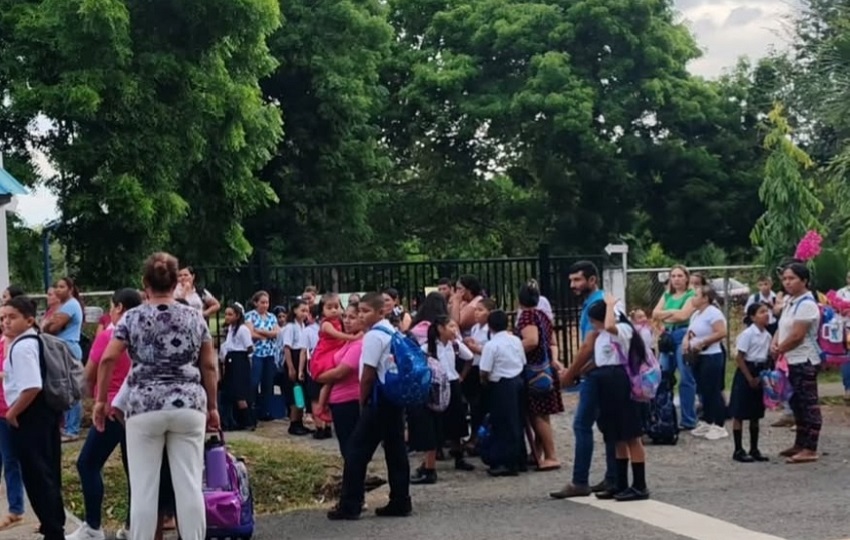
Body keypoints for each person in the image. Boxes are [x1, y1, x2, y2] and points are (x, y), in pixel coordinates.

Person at [93, 252, 220, 540]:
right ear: (176, 282)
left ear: (144, 283)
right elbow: (210, 364)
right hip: (189, 404)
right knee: (188, 485)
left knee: (144, 489)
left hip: (144, 405)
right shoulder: (194, 316)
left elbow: (108, 359)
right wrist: (212, 406)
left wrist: (101, 401)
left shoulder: (132, 317)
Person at [66, 288, 143, 540]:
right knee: (134, 470)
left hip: (110, 408)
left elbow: (88, 375)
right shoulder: (142, 335)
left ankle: (93, 526)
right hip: (137, 409)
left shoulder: (109, 335)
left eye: (111, 305)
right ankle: (133, 526)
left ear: (118, 307)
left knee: (87, 463)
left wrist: (89, 399)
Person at [327, 292, 411, 521]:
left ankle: (350, 504)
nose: (361, 316)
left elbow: (368, 374)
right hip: (393, 398)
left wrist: (362, 401)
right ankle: (401, 500)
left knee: (356, 451)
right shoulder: (391, 331)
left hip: (378, 399)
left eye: (366, 311)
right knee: (396, 451)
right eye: (359, 311)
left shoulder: (374, 336)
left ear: (380, 312)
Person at [551, 261, 616, 499]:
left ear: (592, 280)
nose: (573, 285)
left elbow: (590, 345)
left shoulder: (596, 304)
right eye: (571, 280)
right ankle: (613, 477)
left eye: (578, 280)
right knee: (607, 425)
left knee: (582, 424)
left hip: (598, 373)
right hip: (604, 370)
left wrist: (571, 374)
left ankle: (580, 481)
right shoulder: (598, 301)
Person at [3, 296, 66, 540]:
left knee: (37, 474)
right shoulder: (30, 341)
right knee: (47, 471)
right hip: (42, 413)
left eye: (12, 317)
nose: (6, 322)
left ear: (29, 319)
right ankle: (53, 524)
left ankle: (52, 528)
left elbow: (31, 386)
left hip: (30, 415)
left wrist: (13, 412)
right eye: (3, 318)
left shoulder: (22, 347)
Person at [585, 296, 650, 501]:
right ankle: (619, 483)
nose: (593, 324)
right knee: (615, 435)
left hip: (620, 381)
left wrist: (610, 307)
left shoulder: (623, 330)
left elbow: (611, 326)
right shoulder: (601, 334)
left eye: (595, 320)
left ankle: (639, 484)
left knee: (631, 434)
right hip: (606, 382)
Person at [410, 316, 475, 485]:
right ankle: (433, 457)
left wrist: (462, 376)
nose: (454, 330)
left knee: (457, 421)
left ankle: (458, 455)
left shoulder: (455, 345)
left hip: (452, 384)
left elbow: (469, 358)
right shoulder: (427, 348)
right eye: (450, 326)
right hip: (436, 388)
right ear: (440, 328)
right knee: (436, 423)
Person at [771, 262, 822, 464]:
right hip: (790, 359)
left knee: (808, 404)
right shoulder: (791, 301)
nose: (787, 282)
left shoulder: (807, 304)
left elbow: (798, 335)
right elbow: (782, 327)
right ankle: (800, 443)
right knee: (796, 403)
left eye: (792, 278)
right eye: (784, 279)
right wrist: (775, 342)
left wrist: (780, 348)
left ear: (804, 280)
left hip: (804, 359)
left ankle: (811, 447)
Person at [478, 309, 525, 477]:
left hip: (501, 384)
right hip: (518, 381)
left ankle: (505, 461)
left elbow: (484, 370)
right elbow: (522, 361)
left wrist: (485, 382)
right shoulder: (516, 341)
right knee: (517, 421)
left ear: (490, 326)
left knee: (503, 423)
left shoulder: (491, 346)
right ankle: (519, 458)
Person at [652, 265, 697, 430]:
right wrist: (672, 314)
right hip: (667, 335)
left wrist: (666, 314)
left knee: (686, 377)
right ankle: (663, 414)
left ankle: (688, 418)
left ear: (686, 278)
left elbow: (684, 315)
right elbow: (655, 313)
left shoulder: (691, 295)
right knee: (662, 375)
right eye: (673, 276)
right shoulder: (667, 294)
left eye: (680, 276)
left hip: (683, 335)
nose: (676, 279)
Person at [41, 277, 84, 443]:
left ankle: (72, 429)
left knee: (70, 388)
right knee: (62, 387)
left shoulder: (71, 305)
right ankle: (66, 426)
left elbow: (52, 328)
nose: (58, 290)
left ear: (70, 289)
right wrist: (48, 324)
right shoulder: (65, 306)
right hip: (59, 349)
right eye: (56, 287)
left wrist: (48, 324)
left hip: (68, 349)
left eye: (61, 287)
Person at [310, 293, 358, 439]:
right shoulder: (326, 323)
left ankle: (324, 407)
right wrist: (353, 338)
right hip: (325, 355)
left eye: (336, 307)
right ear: (322, 310)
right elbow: (337, 335)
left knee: (332, 382)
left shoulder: (341, 321)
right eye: (329, 307)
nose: (334, 310)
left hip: (336, 352)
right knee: (329, 380)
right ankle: (320, 406)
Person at [683, 286, 729, 441]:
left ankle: (719, 424)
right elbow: (690, 332)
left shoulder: (713, 313)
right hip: (698, 356)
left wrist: (703, 341)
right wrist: (686, 342)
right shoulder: (696, 314)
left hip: (711, 356)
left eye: (696, 295)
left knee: (713, 390)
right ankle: (707, 421)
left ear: (705, 298)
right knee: (703, 390)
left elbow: (721, 332)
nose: (692, 298)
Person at [729, 302, 771, 463]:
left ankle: (754, 448)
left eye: (767, 312)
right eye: (761, 312)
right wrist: (749, 378)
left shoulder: (767, 335)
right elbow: (740, 357)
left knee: (755, 412)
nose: (766, 315)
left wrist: (762, 376)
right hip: (747, 369)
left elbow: (768, 357)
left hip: (759, 370)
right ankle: (738, 449)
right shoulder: (748, 334)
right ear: (753, 317)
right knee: (739, 412)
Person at [219, 303, 254, 431]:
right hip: (231, 358)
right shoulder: (230, 329)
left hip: (240, 359)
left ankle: (248, 420)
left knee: (240, 393)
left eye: (230, 314)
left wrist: (248, 363)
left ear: (237, 316)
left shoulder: (242, 330)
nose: (227, 317)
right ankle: (232, 420)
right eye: (226, 314)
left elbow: (249, 348)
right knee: (230, 391)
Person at [279, 299, 311, 436]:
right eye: (302, 310)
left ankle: (299, 421)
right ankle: (294, 423)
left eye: (307, 311)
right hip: (293, 358)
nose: (305, 313)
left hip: (302, 358)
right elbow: (287, 348)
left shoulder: (303, 325)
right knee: (295, 391)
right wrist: (291, 367)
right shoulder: (290, 327)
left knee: (301, 392)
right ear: (294, 310)